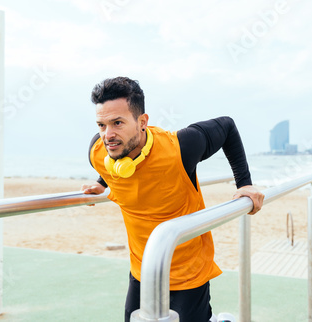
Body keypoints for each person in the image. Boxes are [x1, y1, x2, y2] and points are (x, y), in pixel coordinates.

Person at [82, 77, 264, 322]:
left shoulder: (181, 147)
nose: (108, 135)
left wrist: (245, 184)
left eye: (117, 123)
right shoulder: (98, 151)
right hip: (143, 269)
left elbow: (227, 126)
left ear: (142, 122)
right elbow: (113, 163)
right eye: (101, 125)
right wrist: (102, 182)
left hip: (188, 272)